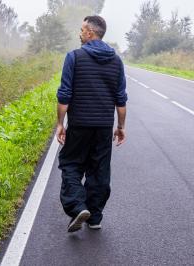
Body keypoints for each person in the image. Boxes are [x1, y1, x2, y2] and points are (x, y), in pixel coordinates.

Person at [56, 15, 128, 233]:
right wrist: (121, 127)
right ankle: (94, 217)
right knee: (99, 170)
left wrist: (60, 123)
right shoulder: (116, 61)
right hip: (103, 127)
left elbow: (64, 94)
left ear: (90, 33)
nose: (79, 33)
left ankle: (78, 206)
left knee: (70, 163)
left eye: (82, 29)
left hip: (79, 125)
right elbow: (121, 99)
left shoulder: (74, 57)